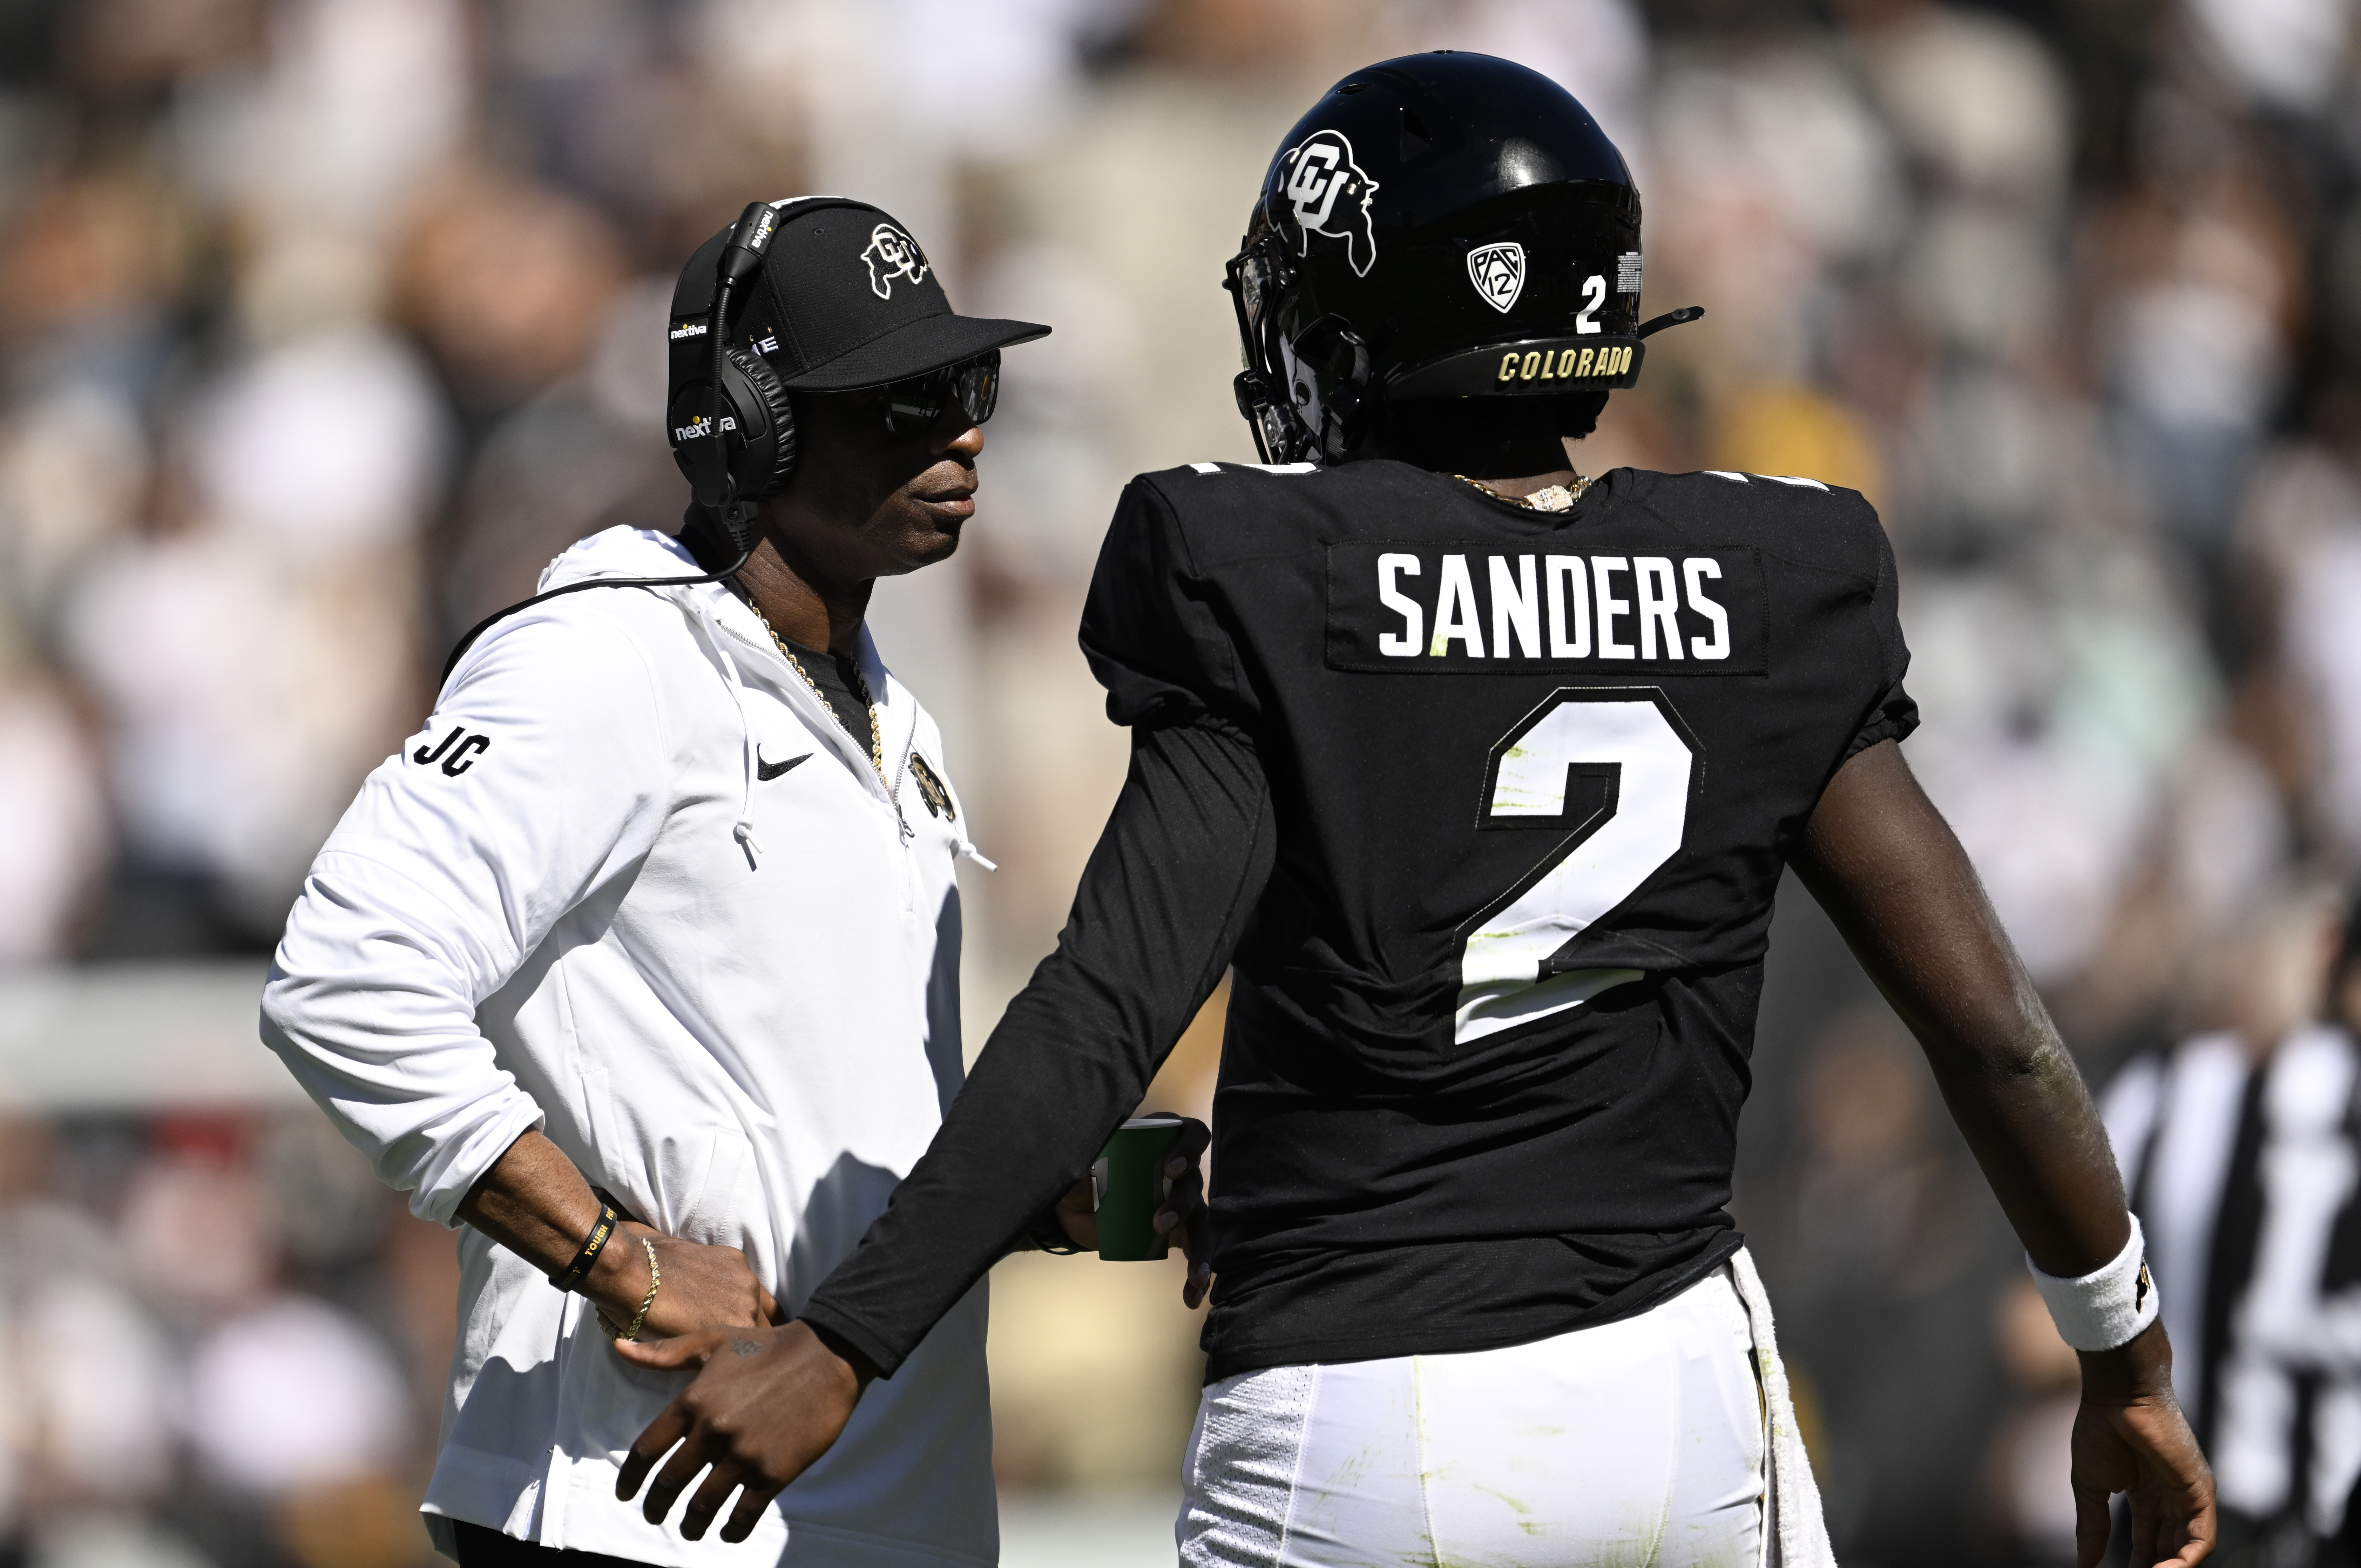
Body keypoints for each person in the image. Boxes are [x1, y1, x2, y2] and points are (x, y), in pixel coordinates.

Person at [611, 57, 2218, 1568]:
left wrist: (840, 1339)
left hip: (1361, 1404)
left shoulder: (1263, 570)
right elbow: (1994, 1026)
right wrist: (2124, 1355)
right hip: (1682, 1396)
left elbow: (1110, 1005)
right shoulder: (1774, 568)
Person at [259, 196, 1066, 1567]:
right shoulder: (605, 663)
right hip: (645, 1511)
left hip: (869, 1516)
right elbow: (346, 974)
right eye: (904, 396)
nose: (963, 431)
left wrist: (1046, 1183)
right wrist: (611, 1252)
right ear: (748, 419)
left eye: (969, 382)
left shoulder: (895, 722)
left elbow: (814, 1115)